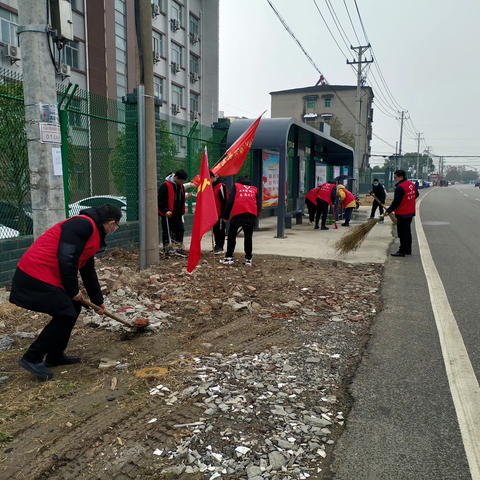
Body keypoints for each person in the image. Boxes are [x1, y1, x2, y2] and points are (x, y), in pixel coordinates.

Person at [9, 203, 122, 381]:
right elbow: (67, 258)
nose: (114, 229)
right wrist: (72, 290)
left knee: (73, 308)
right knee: (66, 313)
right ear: (111, 222)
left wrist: (97, 300)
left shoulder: (93, 234)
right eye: (116, 226)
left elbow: (87, 269)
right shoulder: (83, 224)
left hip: (47, 275)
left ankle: (55, 356)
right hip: (34, 273)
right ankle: (32, 357)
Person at [220, 175, 261, 266]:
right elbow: (258, 205)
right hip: (250, 215)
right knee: (248, 237)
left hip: (238, 214)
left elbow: (230, 201)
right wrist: (254, 217)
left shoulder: (236, 186)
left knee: (232, 235)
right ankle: (248, 259)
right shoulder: (254, 189)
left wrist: (225, 216)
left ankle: (229, 257)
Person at [385, 169, 419, 257]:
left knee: (402, 232)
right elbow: (417, 194)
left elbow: (396, 201)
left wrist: (389, 210)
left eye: (396, 177)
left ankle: (402, 251)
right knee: (407, 231)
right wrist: (408, 201)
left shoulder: (400, 187)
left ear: (401, 177)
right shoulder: (411, 184)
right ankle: (408, 249)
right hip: (410, 212)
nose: (394, 179)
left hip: (402, 213)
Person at [158, 169, 191, 257]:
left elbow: (181, 198)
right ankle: (166, 249)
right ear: (176, 178)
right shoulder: (165, 186)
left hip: (178, 213)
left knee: (180, 229)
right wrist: (165, 210)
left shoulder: (180, 186)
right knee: (167, 231)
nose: (182, 182)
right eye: (181, 181)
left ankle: (179, 248)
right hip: (168, 213)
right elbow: (161, 200)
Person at [210, 170, 228, 254]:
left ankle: (220, 247)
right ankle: (217, 246)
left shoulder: (221, 186)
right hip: (214, 213)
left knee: (220, 230)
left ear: (213, 177)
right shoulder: (213, 186)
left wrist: (224, 215)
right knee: (215, 230)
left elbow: (224, 201)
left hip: (220, 213)